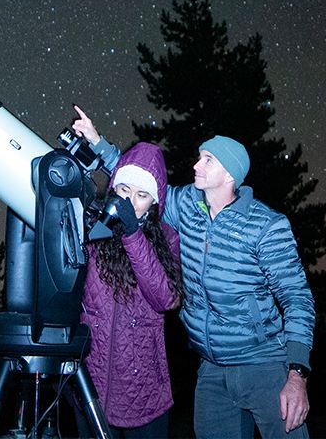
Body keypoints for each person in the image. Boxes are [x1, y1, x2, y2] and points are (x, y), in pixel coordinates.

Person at [72, 106, 314, 439]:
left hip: (264, 366)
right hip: (211, 369)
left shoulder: (267, 226)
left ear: (230, 174)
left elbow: (297, 298)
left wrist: (297, 373)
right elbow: (139, 179)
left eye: (207, 160)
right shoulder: (186, 205)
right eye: (199, 157)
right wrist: (98, 143)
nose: (196, 165)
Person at [78, 140, 183, 439]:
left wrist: (133, 235)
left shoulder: (166, 237)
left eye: (141, 195)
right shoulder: (92, 233)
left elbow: (166, 299)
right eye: (124, 190)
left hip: (142, 387)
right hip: (90, 382)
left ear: (154, 202)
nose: (130, 201)